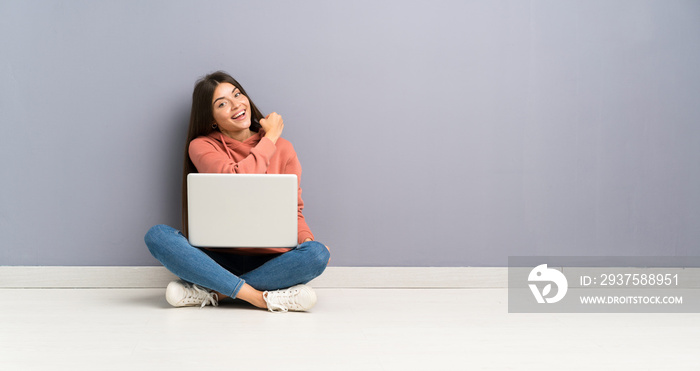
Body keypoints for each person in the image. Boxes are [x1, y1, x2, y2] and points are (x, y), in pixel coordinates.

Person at [144, 71, 330, 312]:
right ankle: (261, 298)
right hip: (216, 259)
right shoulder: (202, 146)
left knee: (317, 254)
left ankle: (216, 293)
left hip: (271, 260)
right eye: (222, 103)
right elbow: (237, 181)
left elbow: (293, 210)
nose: (236, 105)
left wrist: (307, 241)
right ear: (212, 118)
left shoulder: (284, 149)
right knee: (157, 235)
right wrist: (270, 137)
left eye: (237, 94)